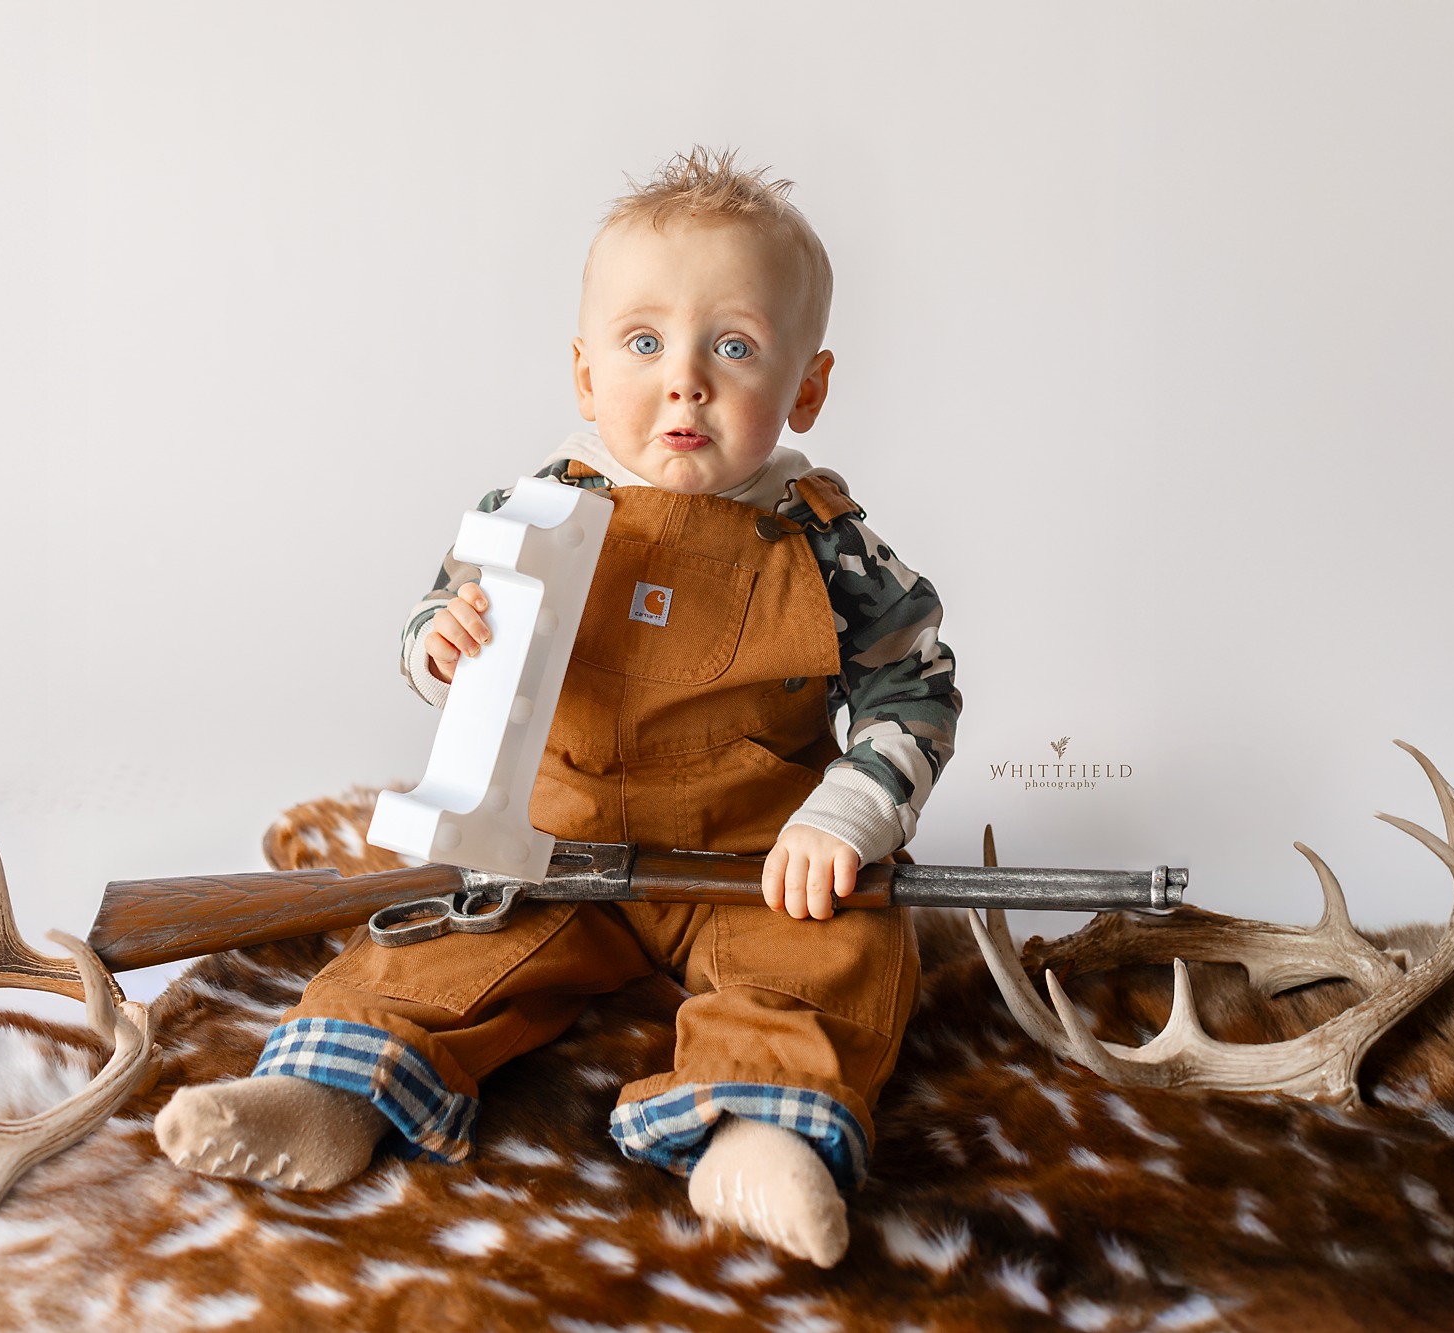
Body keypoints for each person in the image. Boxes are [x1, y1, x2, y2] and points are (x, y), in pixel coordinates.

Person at [155, 148, 959, 1268]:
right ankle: (332, 1091)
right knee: (440, 942)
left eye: (734, 347)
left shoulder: (830, 544)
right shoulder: (537, 506)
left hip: (751, 859)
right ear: (584, 376)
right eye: (644, 343)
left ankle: (759, 1131)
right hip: (550, 844)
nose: (686, 382)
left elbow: (912, 685)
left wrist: (847, 818)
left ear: (807, 388)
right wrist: (438, 645)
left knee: (837, 954)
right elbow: (441, 613)